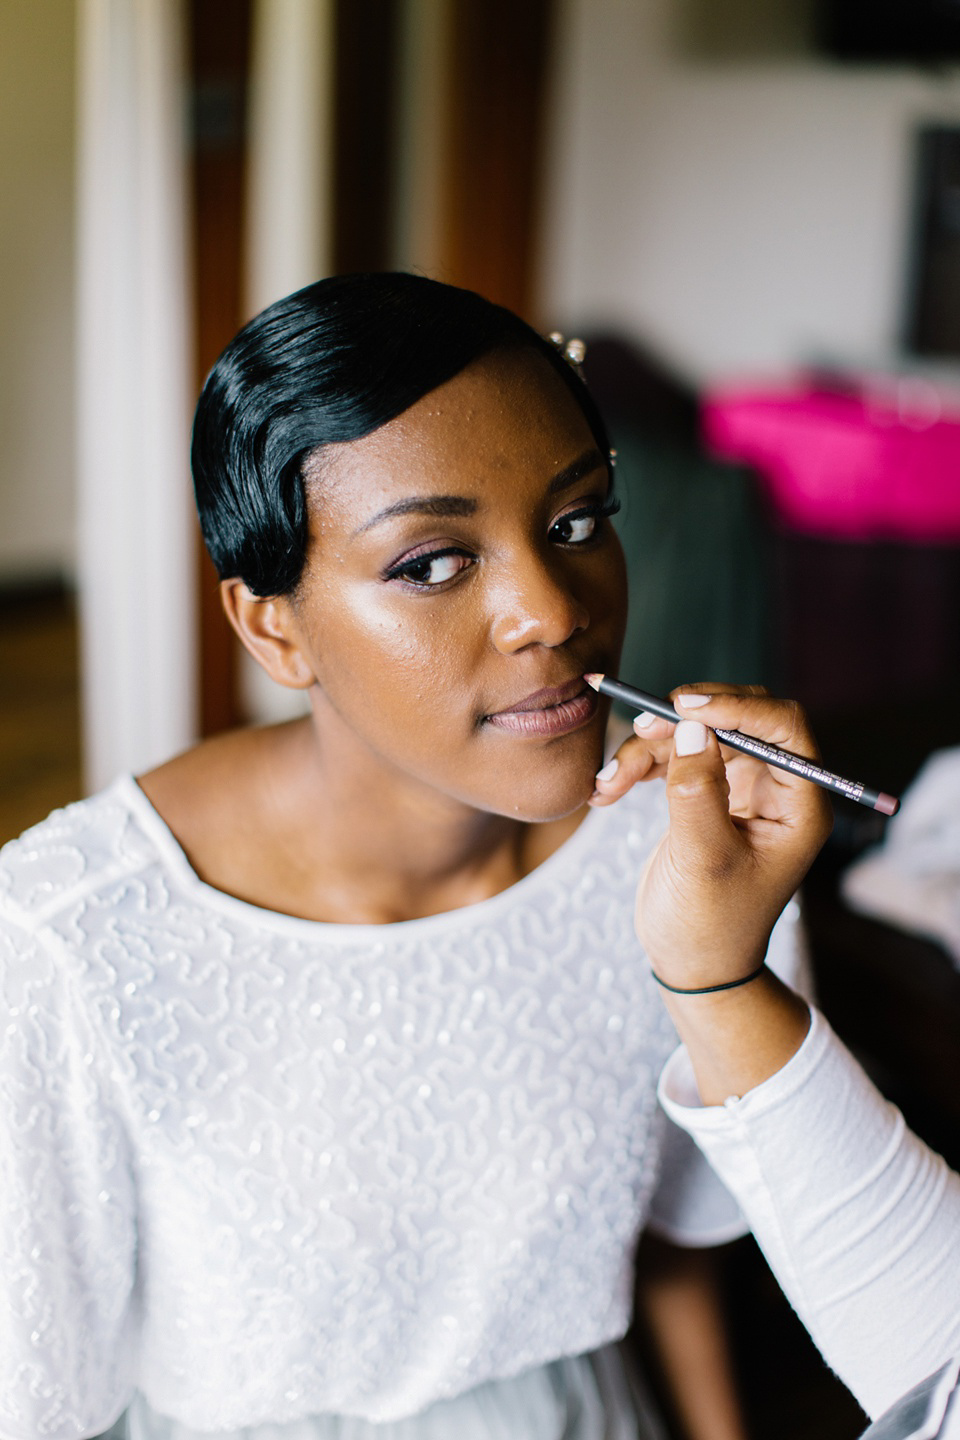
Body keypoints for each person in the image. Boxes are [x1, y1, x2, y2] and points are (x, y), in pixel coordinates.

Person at [0, 273, 810, 1440]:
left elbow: (674, 1249)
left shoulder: (694, 860)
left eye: (576, 522)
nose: (551, 611)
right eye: (432, 562)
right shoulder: (72, 944)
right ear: (272, 626)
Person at [590, 699, 960, 1425]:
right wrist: (712, 972)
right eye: (424, 572)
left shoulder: (656, 836)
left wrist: (711, 972)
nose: (546, 615)